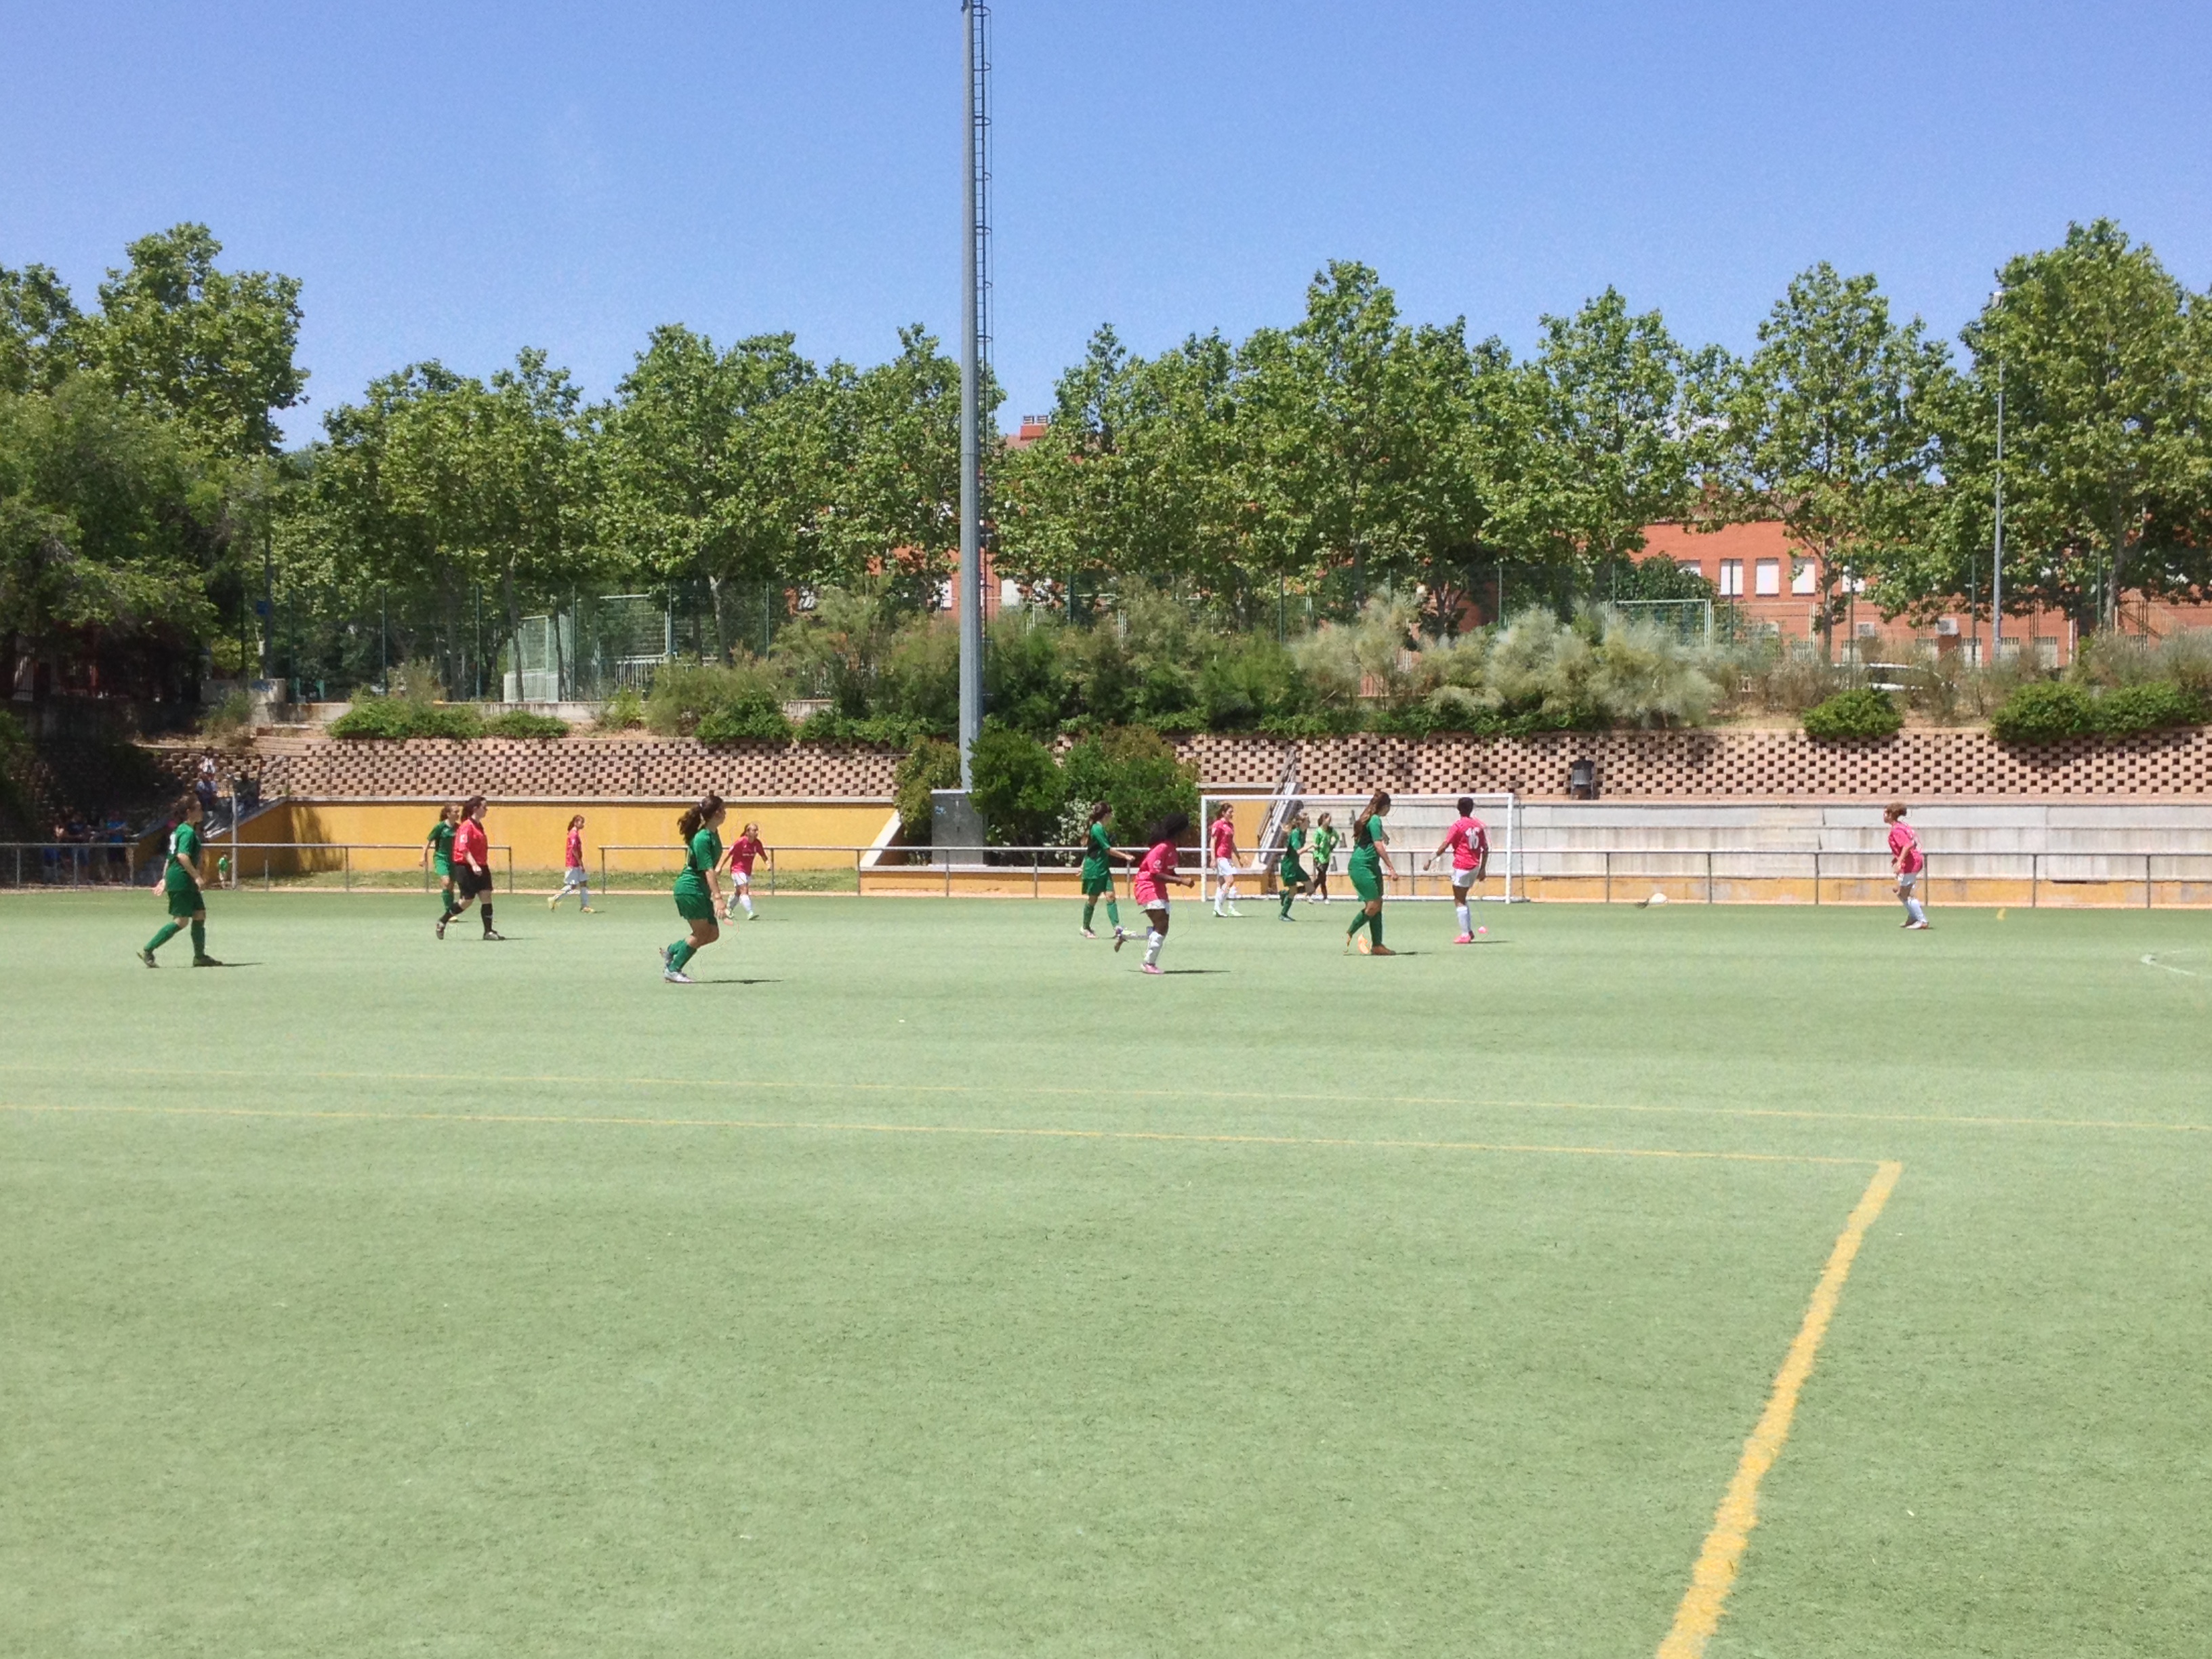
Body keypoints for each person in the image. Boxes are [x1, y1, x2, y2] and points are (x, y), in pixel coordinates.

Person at [139, 793, 220, 966]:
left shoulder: (179, 830)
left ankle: (200, 957)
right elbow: (182, 856)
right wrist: (197, 877)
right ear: (189, 812)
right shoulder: (188, 833)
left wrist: (164, 878)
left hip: (181, 877)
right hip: (183, 879)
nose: (202, 811)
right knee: (181, 921)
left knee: (199, 914)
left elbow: (170, 857)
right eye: (199, 808)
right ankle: (149, 949)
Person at [1115, 811, 1193, 975]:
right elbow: (1155, 874)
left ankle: (1126, 935)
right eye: (1187, 830)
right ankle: (1148, 964)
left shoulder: (1172, 848)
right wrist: (1181, 881)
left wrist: (1180, 879)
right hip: (1147, 886)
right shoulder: (1161, 848)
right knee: (1162, 925)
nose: (1188, 833)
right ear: (1179, 830)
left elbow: (1168, 872)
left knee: (1160, 927)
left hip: (1159, 889)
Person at [665, 794, 727, 983]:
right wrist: (718, 898)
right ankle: (673, 970)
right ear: (717, 813)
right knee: (701, 933)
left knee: (712, 934)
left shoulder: (713, 834)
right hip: (690, 889)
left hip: (700, 890)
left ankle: (672, 950)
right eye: (723, 809)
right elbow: (708, 870)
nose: (726, 813)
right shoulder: (702, 838)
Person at [437, 796, 503, 940]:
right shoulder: (466, 826)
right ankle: (443, 921)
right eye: (484, 807)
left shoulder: (479, 825)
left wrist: (480, 865)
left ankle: (488, 931)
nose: (486, 810)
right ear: (475, 808)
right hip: (466, 867)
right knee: (467, 901)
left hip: (481, 866)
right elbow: (463, 849)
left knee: (486, 896)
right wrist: (473, 865)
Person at [1429, 796, 1490, 944]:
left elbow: (1445, 846)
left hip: (1462, 866)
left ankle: (1465, 935)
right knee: (1463, 897)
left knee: (1458, 899)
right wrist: (1483, 869)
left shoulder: (1458, 826)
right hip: (1475, 866)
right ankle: (1468, 931)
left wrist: (1430, 859)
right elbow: (1486, 848)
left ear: (1458, 809)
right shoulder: (1479, 826)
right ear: (1472, 808)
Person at [1343, 790, 1397, 956]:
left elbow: (1373, 832)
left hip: (1371, 866)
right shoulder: (1375, 820)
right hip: (1362, 866)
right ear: (1385, 807)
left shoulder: (1371, 819)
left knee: (1377, 904)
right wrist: (1391, 867)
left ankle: (1377, 945)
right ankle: (1349, 933)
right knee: (1373, 905)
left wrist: (1383, 834)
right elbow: (1378, 845)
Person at [1078, 800, 1132, 941]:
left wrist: (1082, 865)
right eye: (1111, 814)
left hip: (1103, 869)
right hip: (1094, 869)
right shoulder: (1097, 829)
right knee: (1093, 899)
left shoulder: (1101, 829)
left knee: (1111, 896)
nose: (1112, 817)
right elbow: (1107, 850)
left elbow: (1091, 849)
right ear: (1106, 815)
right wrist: (1125, 856)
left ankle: (1117, 928)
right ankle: (1085, 927)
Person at [1887, 801, 1929, 930]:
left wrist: (1900, 861)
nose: (1884, 816)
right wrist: (1897, 858)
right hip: (1912, 861)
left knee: (1906, 893)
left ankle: (1922, 920)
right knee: (1901, 893)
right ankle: (1913, 917)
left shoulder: (1897, 830)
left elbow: (1908, 845)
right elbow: (1913, 843)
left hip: (1911, 863)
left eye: (1885, 813)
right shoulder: (1902, 826)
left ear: (1890, 815)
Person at [548, 814, 595, 912]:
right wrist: (580, 862)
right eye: (581, 822)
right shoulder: (573, 834)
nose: (583, 824)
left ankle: (584, 906)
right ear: (576, 823)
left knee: (584, 882)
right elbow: (573, 849)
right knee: (572, 886)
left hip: (577, 863)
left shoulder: (576, 833)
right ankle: (554, 899)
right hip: (573, 863)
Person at [423, 804, 460, 920]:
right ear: (448, 814)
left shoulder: (458, 827)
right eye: (455, 812)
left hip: (454, 859)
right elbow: (429, 841)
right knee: (446, 882)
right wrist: (423, 856)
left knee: (451, 886)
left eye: (458, 812)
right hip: (441, 858)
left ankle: (451, 912)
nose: (458, 814)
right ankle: (448, 911)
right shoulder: (440, 827)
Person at [724, 820, 765, 921]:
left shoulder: (757, 843)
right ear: (747, 832)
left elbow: (763, 855)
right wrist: (720, 867)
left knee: (739, 892)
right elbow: (728, 854)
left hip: (747, 871)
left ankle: (728, 909)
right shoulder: (740, 842)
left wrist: (768, 863)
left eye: (757, 830)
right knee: (744, 890)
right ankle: (750, 912)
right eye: (754, 830)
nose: (756, 832)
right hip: (737, 869)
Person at [1275, 808, 1311, 920]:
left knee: (1310, 888)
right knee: (1294, 890)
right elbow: (1298, 851)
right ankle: (1283, 914)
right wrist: (1310, 846)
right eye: (1308, 821)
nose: (1309, 823)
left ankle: (1285, 893)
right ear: (1302, 822)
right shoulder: (1295, 833)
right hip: (1289, 866)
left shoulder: (1303, 832)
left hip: (1296, 865)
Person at [1209, 804, 1243, 917]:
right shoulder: (1218, 824)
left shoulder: (1230, 825)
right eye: (1230, 812)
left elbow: (1231, 843)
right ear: (1223, 813)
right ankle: (1221, 907)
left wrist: (1238, 857)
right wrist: (1213, 858)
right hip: (1221, 856)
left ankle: (1219, 909)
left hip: (1228, 857)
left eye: (1232, 812)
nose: (1232, 814)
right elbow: (1213, 841)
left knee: (1222, 883)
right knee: (1230, 880)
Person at [1307, 812, 1339, 903]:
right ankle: (1325, 897)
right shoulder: (1319, 831)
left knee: (1321, 878)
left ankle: (1309, 894)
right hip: (1319, 858)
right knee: (1322, 877)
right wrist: (1316, 857)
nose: (1330, 821)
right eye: (1328, 819)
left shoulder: (1331, 830)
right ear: (1323, 820)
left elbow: (1337, 837)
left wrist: (1332, 846)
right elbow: (1315, 845)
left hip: (1326, 857)